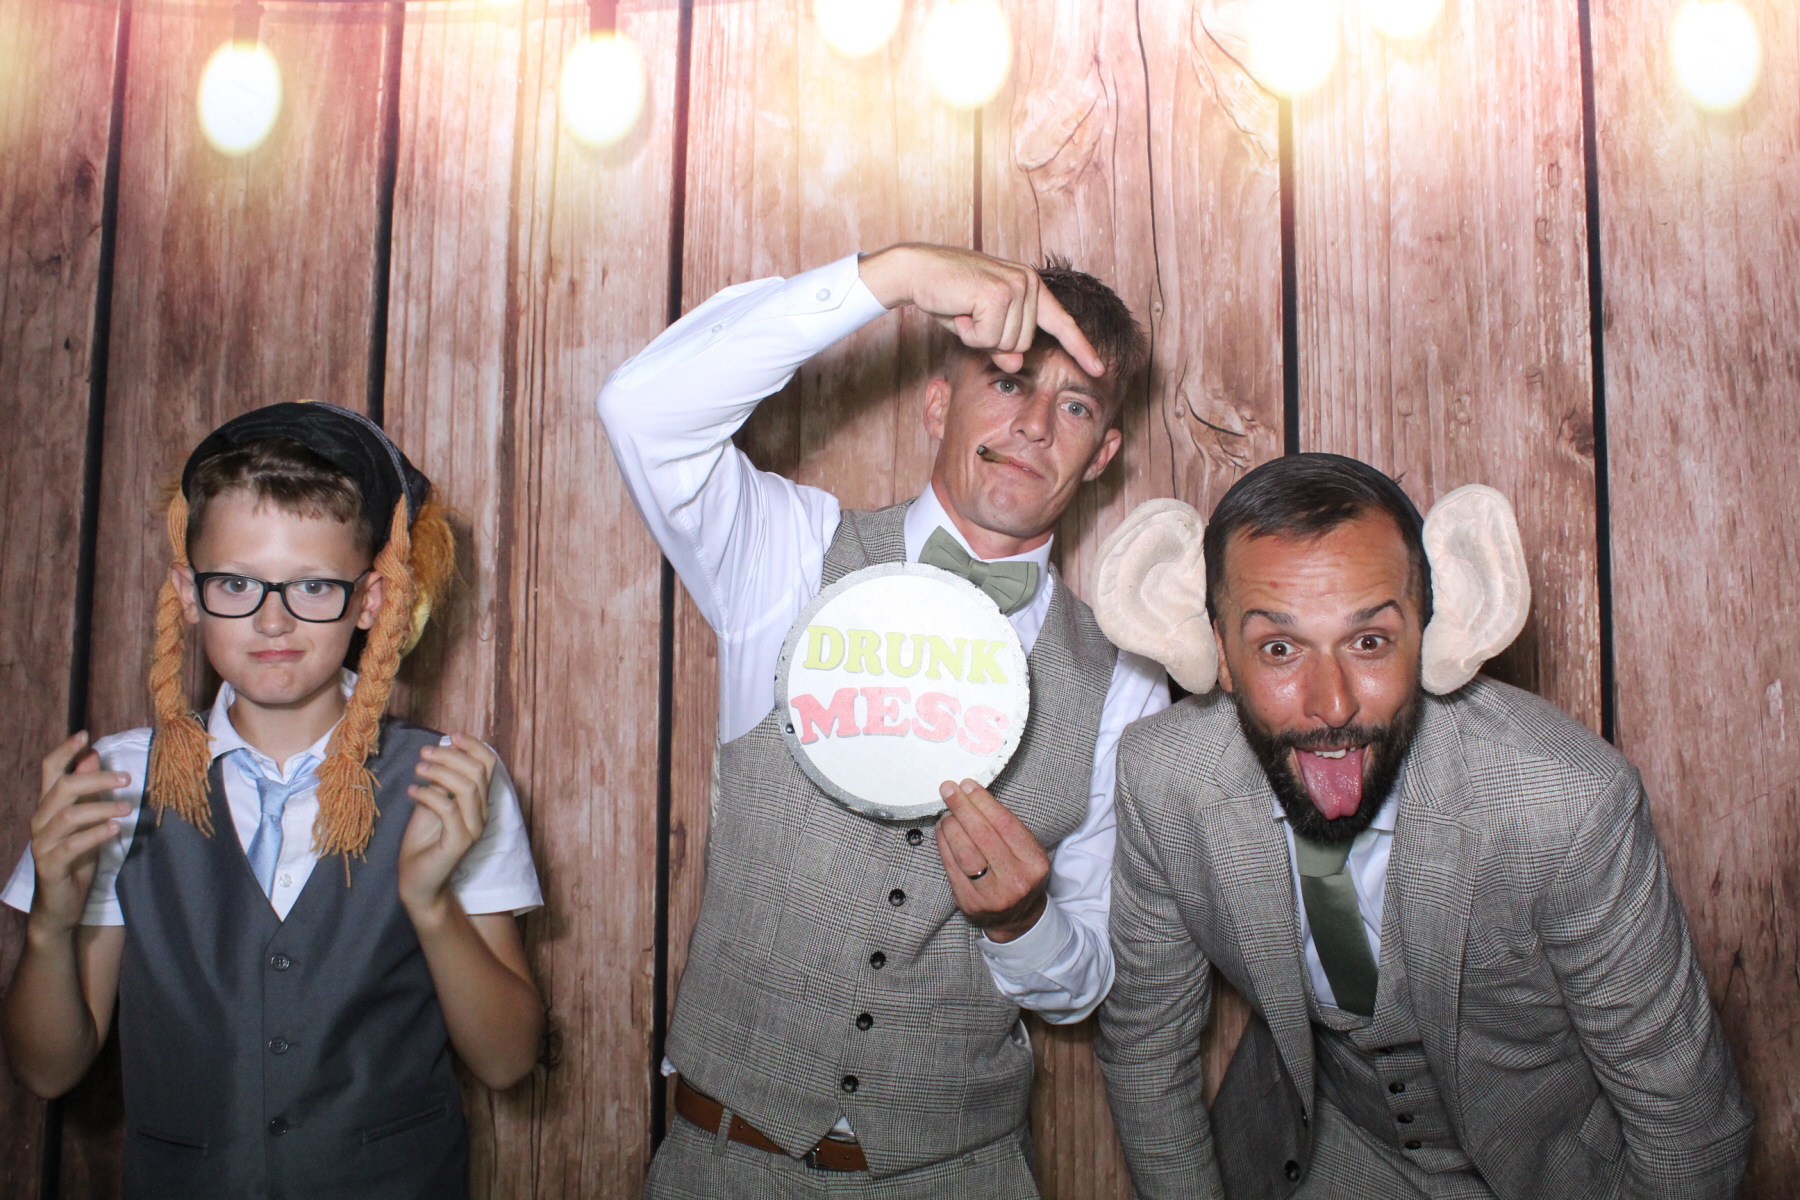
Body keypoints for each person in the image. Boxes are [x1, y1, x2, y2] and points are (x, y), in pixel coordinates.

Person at [599, 244, 1168, 1196]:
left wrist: (1024, 923)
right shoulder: (789, 554)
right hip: (726, 1164)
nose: (1034, 425)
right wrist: (893, 275)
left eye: (1074, 406)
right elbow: (641, 410)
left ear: (1102, 453)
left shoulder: (1122, 684)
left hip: (965, 1175)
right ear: (938, 404)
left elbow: (1088, 981)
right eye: (1008, 382)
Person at [1091, 453, 1754, 1199]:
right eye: (1279, 649)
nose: (1332, 703)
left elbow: (1687, 1120)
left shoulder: (1567, 804)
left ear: (1432, 632)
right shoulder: (1164, 778)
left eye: (1369, 641)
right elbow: (1146, 1048)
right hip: (1318, 1151)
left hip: (1556, 1172)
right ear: (1218, 653)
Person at [2, 402, 546, 1199]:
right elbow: (47, 1070)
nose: (272, 620)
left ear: (371, 600)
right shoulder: (114, 782)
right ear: (188, 593)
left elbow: (508, 1061)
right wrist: (51, 924)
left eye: (314, 586)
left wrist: (431, 906)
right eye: (235, 583)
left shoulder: (451, 778)